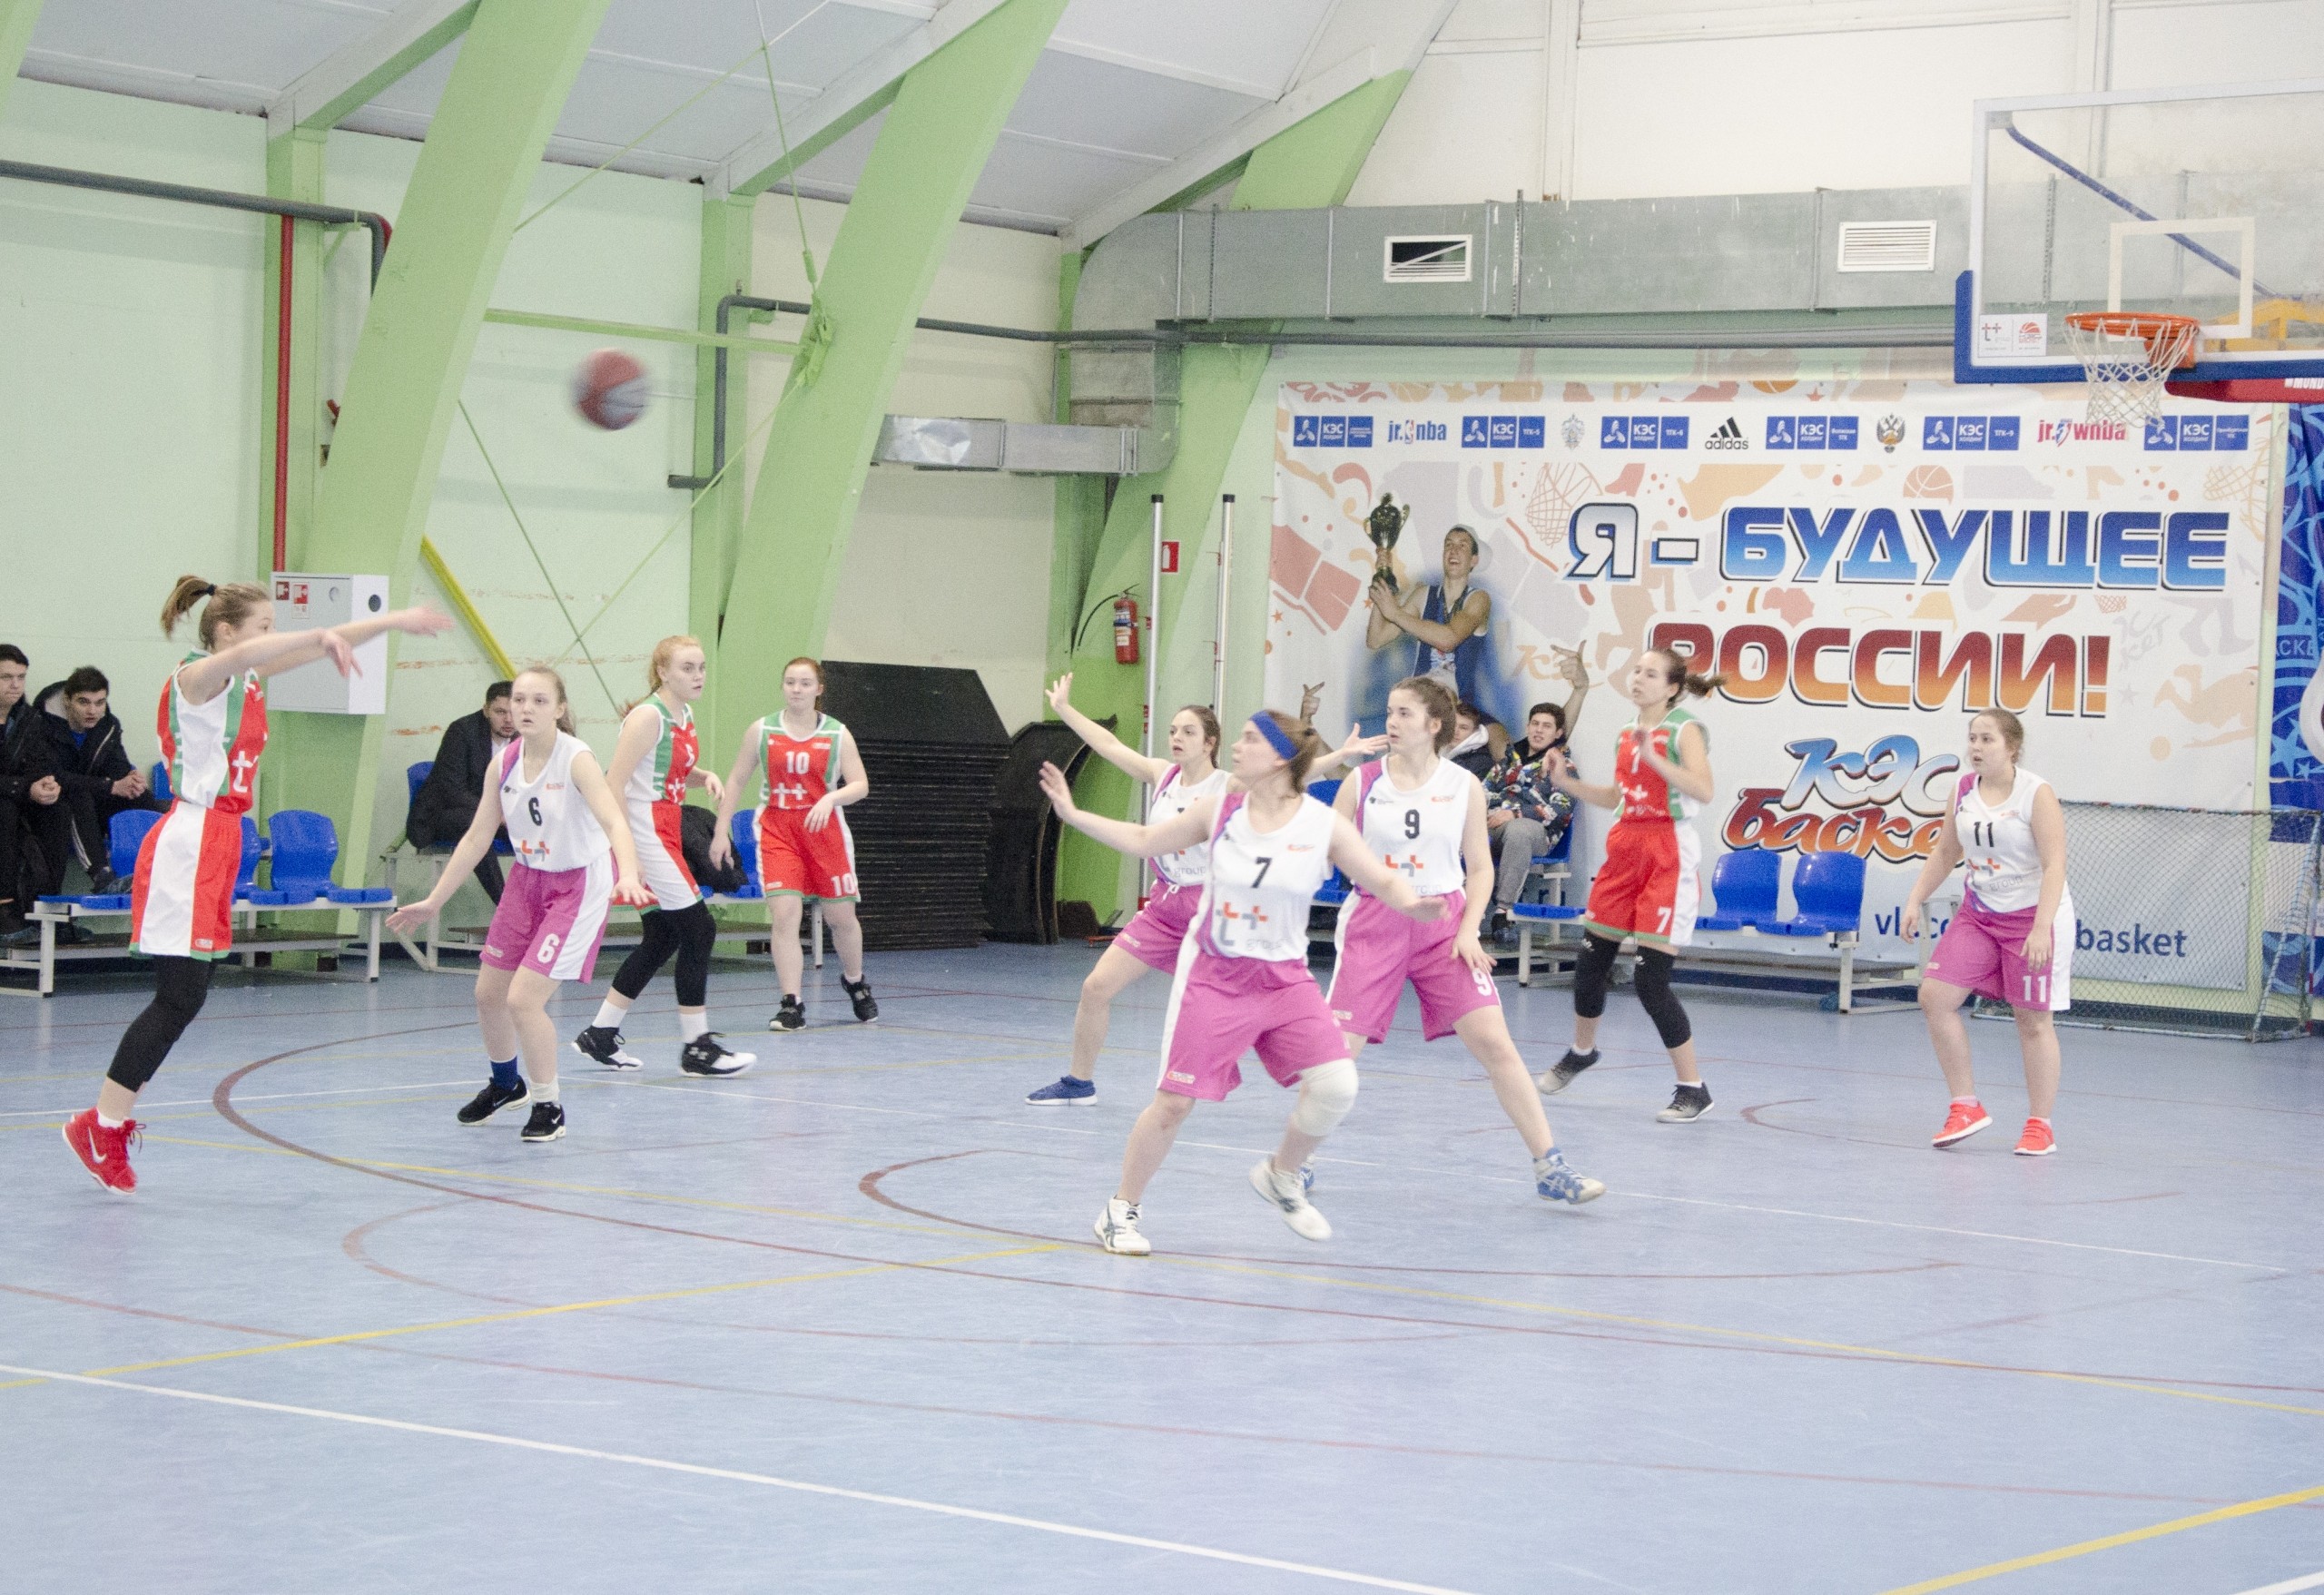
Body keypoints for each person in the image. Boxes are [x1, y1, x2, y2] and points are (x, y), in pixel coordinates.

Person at [62, 576, 451, 1192]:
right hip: (191, 840)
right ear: (225, 631)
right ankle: (101, 1125)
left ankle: (102, 1122)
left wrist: (394, 620)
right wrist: (314, 633)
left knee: (185, 997)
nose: (272, 637)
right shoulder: (197, 677)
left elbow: (315, 646)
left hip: (220, 840)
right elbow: (255, 652)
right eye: (265, 625)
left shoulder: (243, 678)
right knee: (178, 997)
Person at [1038, 711, 1447, 1256]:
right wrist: (1072, 813)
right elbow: (1143, 839)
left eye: (1250, 739)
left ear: (1279, 757)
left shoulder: (1321, 824)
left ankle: (1282, 1173)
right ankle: (1120, 1210)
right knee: (1173, 1105)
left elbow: (1381, 877)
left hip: (1285, 980)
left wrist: (1412, 904)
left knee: (1337, 1086)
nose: (1236, 746)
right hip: (1215, 977)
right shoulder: (1220, 809)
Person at [1326, 676, 1603, 1205]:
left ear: (1435, 725)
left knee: (1497, 1045)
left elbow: (1479, 867)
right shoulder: (1361, 782)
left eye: (1405, 713)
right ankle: (1295, 1164)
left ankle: (1549, 1165)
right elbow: (1325, 846)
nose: (1392, 721)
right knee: (1337, 1060)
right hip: (1376, 921)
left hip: (1444, 926)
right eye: (1390, 711)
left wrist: (1470, 928)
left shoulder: (1463, 786)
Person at [387, 667, 652, 1144]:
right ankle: (507, 1084)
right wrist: (433, 900)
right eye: (519, 699)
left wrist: (629, 874)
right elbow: (476, 837)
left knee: (523, 1000)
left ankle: (549, 1106)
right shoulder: (504, 763)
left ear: (560, 709)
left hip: (577, 883)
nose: (525, 708)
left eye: (539, 700)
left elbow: (615, 822)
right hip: (528, 880)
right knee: (488, 994)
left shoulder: (576, 759)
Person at [1537, 646, 1725, 1123]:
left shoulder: (1684, 729)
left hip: (1668, 851)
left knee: (1649, 981)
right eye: (1637, 670)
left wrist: (1654, 757)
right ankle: (1582, 1051)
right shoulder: (1627, 731)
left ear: (1672, 688)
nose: (1638, 678)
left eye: (1651, 674)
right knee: (1590, 962)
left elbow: (1703, 790)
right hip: (1626, 847)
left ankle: (1693, 1088)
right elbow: (1618, 797)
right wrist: (1566, 782)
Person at [1024, 674, 1226, 1105]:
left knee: (1241, 1004)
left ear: (1210, 743)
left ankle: (1315, 1067)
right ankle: (1079, 1083)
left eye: (1189, 732)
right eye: (1173, 730)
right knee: (1096, 987)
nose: (1177, 738)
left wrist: (1334, 758)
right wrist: (1064, 709)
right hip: (1164, 907)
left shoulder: (1228, 786)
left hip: (1210, 911)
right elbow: (1108, 745)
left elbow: (1284, 782)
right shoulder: (1163, 775)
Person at [571, 636, 753, 1078]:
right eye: (688, 668)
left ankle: (600, 1033)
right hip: (645, 828)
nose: (698, 676)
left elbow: (662, 768)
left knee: (663, 935)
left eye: (702, 667)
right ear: (663, 672)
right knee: (700, 929)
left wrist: (703, 776)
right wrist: (626, 855)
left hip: (666, 822)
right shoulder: (647, 717)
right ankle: (697, 1047)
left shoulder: (682, 714)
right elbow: (614, 784)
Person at [1902, 709, 2074, 1157]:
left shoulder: (2035, 793)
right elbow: (1946, 851)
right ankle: (1965, 1106)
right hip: (1979, 912)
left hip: (2033, 916)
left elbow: (2055, 865)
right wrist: (1915, 898)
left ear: (2012, 747)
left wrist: (2041, 929)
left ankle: (2040, 1125)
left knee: (2032, 1020)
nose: (1976, 747)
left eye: (1987, 739)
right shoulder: (1963, 790)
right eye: (1972, 738)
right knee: (1935, 996)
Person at [709, 656, 877, 1032]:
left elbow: (860, 784)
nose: (796, 689)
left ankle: (855, 981)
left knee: (841, 918)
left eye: (804, 683)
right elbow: (736, 780)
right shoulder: (762, 730)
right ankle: (791, 1003)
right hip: (779, 829)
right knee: (785, 916)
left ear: (819, 689)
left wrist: (830, 798)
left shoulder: (837, 733)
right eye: (790, 682)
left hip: (825, 832)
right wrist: (721, 832)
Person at [1483, 651, 1592, 936]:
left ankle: (1503, 912)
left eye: (1546, 726)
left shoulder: (1563, 766)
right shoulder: (1508, 759)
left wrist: (1514, 813)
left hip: (1535, 834)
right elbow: (1485, 790)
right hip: (1494, 826)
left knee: (1519, 829)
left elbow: (1560, 809)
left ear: (1558, 733)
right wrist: (1487, 813)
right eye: (1535, 724)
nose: (1538, 730)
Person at [36, 666, 164, 898]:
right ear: (67, 701)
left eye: (99, 703)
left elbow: (118, 766)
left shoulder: (108, 726)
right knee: (77, 795)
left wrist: (132, 780)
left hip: (96, 802)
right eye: (83, 702)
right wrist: (111, 786)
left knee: (141, 795)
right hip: (55, 805)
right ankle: (102, 877)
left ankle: (166, 870)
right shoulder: (40, 726)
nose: (92, 711)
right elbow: (55, 777)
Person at [1367, 525, 1496, 717]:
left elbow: (1448, 640)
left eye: (1462, 546)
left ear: (1474, 560)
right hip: (1419, 704)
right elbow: (1376, 640)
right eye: (1449, 545)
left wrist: (1395, 613)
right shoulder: (1423, 594)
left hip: (1461, 711)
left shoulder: (1479, 599)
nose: (1454, 551)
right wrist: (1382, 581)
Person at [408, 680, 517, 901]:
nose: (508, 720)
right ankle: (505, 904)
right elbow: (452, 791)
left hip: (494, 816)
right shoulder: (462, 732)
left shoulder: (524, 737)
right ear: (486, 710)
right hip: (444, 814)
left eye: (513, 712)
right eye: (500, 712)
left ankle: (551, 902)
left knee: (541, 827)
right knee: (474, 826)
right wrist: (497, 815)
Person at [0, 644, 71, 944]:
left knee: (59, 809)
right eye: (6, 677)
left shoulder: (28, 719)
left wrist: (45, 785)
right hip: (8, 801)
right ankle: (4, 908)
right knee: (4, 809)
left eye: (21, 677)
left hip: (18, 799)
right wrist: (24, 788)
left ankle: (46, 906)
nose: (15, 685)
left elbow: (40, 763)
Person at [1446, 701, 1504, 781]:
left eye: (1463, 728)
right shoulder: (1441, 751)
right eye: (1452, 725)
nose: (1455, 731)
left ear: (1475, 733)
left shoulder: (1482, 764)